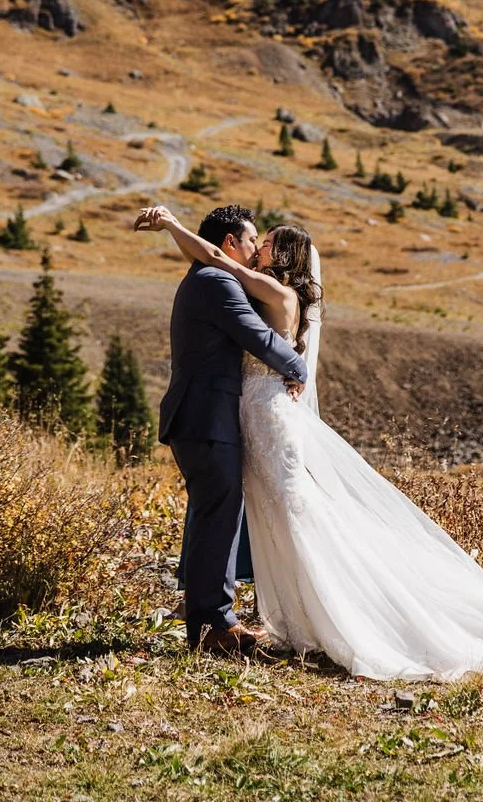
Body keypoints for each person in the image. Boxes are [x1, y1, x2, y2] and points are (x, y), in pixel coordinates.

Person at [136, 202, 483, 689]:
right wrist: (173, 225)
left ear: (285, 259)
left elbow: (232, 283)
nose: (258, 248)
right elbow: (220, 264)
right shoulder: (233, 281)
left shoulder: (271, 291)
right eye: (255, 239)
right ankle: (250, 618)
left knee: (291, 515)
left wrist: (171, 225)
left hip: (266, 413)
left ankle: (312, 617)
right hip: (246, 414)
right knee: (263, 515)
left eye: (268, 242)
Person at [153, 203, 307, 655]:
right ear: (230, 244)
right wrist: (296, 367)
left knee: (213, 514)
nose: (256, 248)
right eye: (251, 240)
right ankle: (216, 624)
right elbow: (257, 339)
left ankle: (207, 624)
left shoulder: (207, 277)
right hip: (206, 417)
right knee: (219, 515)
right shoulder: (218, 281)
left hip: (202, 416)